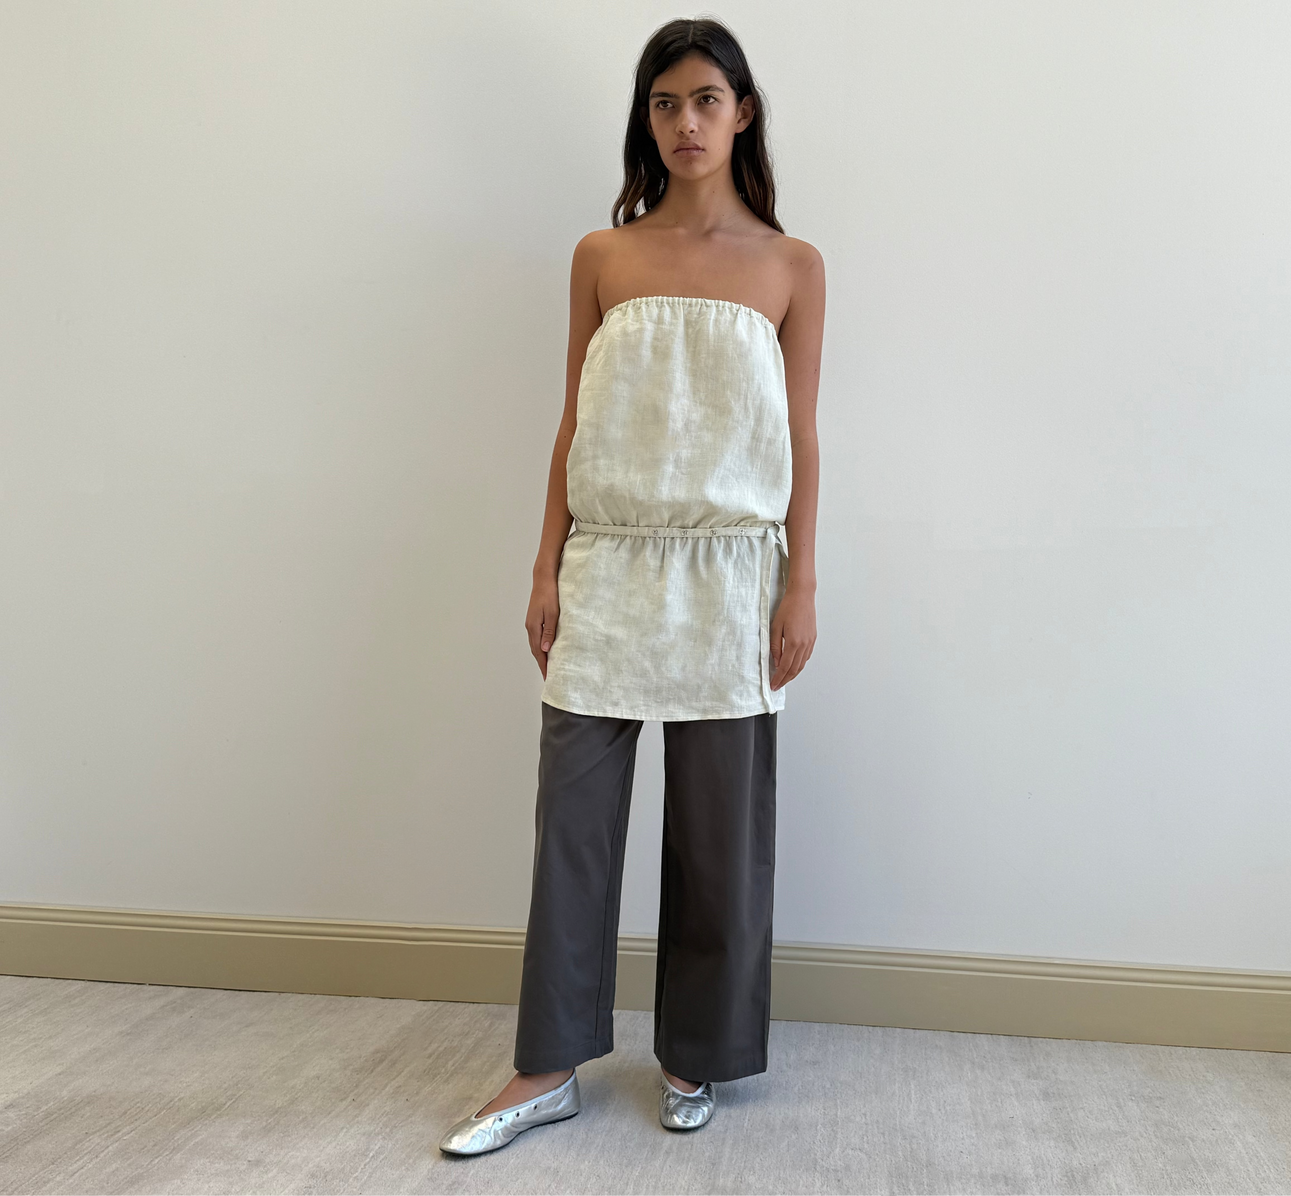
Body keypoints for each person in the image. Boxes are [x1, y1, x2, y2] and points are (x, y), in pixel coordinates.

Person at [440, 16, 824, 1156]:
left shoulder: (791, 265)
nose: (685, 122)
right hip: (607, 558)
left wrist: (800, 583)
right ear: (644, 121)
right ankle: (546, 1061)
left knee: (719, 829)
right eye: (664, 104)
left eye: (706, 99)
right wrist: (542, 557)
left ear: (741, 112)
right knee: (574, 820)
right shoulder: (600, 257)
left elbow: (799, 434)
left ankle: (694, 1052)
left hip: (730, 571)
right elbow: (574, 415)